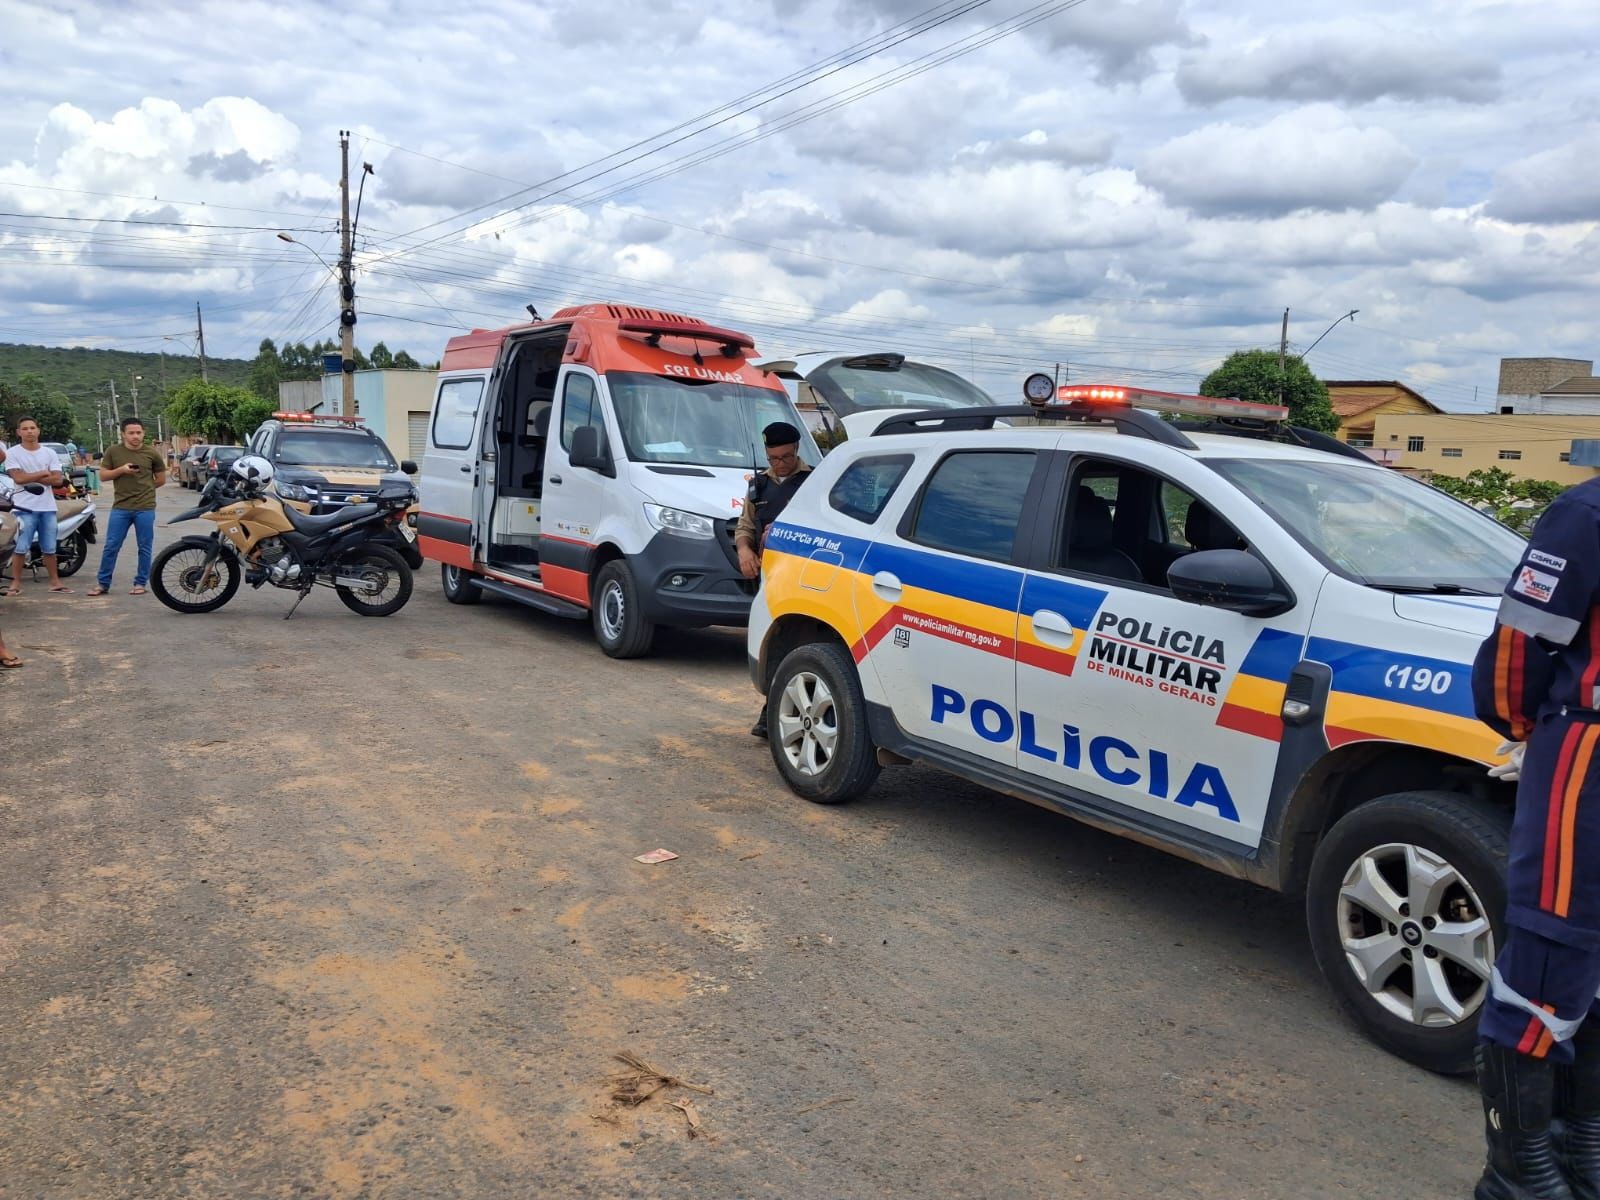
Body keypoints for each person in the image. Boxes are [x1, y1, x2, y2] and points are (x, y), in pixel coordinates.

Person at [1470, 474, 1600, 1200]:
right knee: (1552, 955)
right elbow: (1519, 652)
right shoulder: (1588, 513)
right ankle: (1519, 1172)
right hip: (1589, 756)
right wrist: (1534, 736)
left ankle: (1580, 1150)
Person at [736, 421, 812, 738]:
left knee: (797, 644)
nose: (779, 464)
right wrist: (743, 550)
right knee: (771, 643)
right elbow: (745, 528)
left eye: (785, 457)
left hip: (802, 578)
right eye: (773, 459)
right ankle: (772, 710)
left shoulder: (813, 481)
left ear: (797, 451)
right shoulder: (759, 486)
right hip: (769, 579)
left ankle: (774, 713)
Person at [88, 417, 166, 596]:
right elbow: (103, 476)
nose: (135, 436)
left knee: (144, 546)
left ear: (144, 433)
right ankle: (103, 583)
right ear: (123, 434)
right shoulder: (113, 451)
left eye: (138, 432)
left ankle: (140, 583)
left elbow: (161, 479)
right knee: (111, 545)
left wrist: (146, 489)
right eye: (131, 433)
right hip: (121, 507)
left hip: (145, 507)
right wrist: (121, 470)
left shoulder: (152, 453)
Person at [3, 417, 70, 595]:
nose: (29, 431)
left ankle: (55, 582)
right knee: (20, 547)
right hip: (23, 508)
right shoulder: (13, 453)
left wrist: (29, 476)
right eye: (25, 429)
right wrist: (42, 473)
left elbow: (57, 479)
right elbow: (18, 479)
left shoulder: (49, 453)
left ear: (38, 431)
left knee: (50, 547)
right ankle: (15, 583)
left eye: (32, 428)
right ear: (19, 432)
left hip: (47, 507)